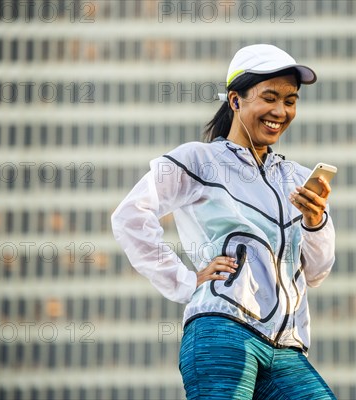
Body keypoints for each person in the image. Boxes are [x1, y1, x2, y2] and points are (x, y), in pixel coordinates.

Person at [111, 44, 336, 399]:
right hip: (222, 330)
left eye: (290, 101)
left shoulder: (297, 178)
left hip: (287, 347)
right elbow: (129, 216)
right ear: (235, 101)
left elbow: (317, 272)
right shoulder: (198, 160)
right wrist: (186, 281)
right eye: (269, 97)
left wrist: (315, 220)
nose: (281, 111)